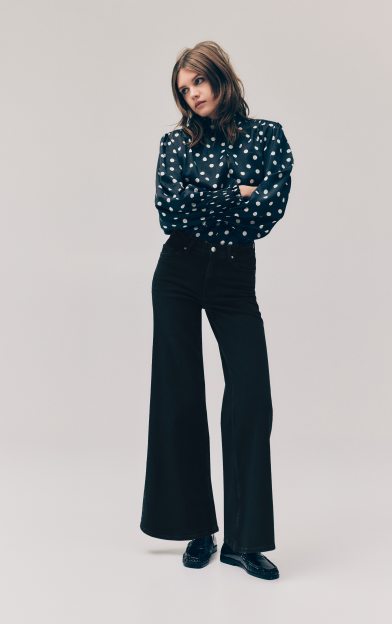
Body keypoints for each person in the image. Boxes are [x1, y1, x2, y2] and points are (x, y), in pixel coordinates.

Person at [140, 40, 294, 581]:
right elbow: (170, 211)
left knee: (251, 396)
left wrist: (212, 196)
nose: (192, 95)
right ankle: (197, 529)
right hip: (178, 272)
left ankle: (243, 541)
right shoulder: (174, 142)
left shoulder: (268, 136)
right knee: (180, 395)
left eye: (198, 81)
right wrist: (236, 193)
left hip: (233, 276)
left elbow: (268, 209)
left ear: (220, 77)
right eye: (183, 89)